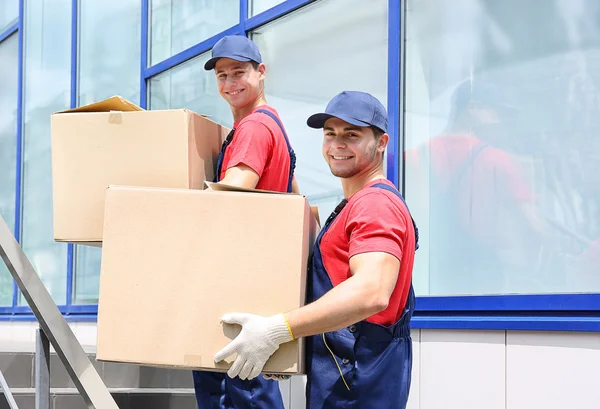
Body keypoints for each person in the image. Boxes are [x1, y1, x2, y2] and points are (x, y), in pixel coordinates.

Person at [214, 91, 418, 409]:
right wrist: (295, 348)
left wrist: (277, 330)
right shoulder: (359, 203)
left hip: (358, 384)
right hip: (346, 376)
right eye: (330, 134)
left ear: (381, 143)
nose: (337, 144)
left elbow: (371, 292)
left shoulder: (375, 204)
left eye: (352, 135)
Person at [192, 34, 298, 409]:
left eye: (239, 72)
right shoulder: (272, 125)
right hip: (253, 278)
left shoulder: (254, 128)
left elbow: (230, 201)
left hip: (237, 281)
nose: (230, 83)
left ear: (261, 72)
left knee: (241, 391)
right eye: (221, 75)